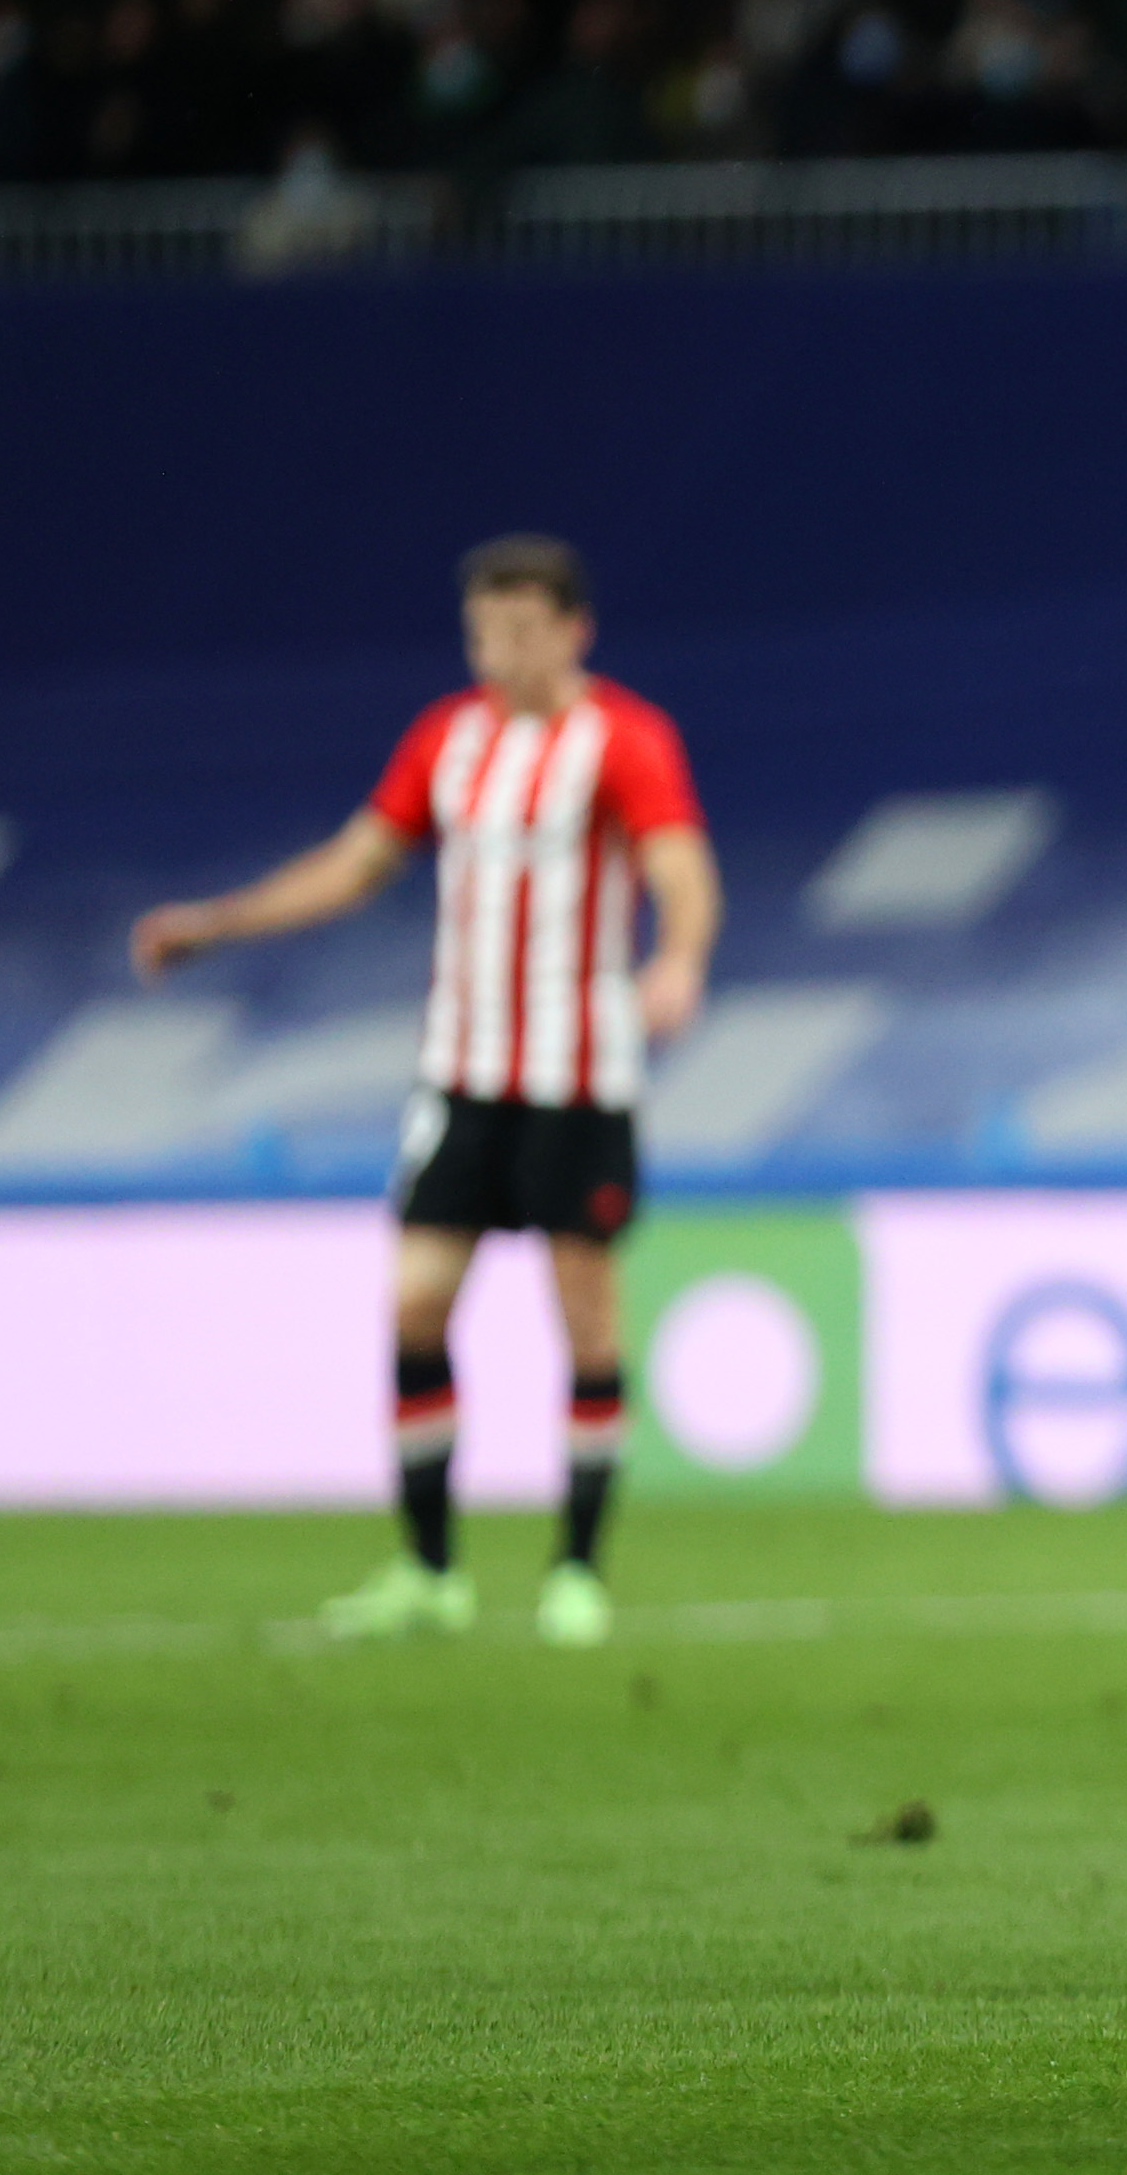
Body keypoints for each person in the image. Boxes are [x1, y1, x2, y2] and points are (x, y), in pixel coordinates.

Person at [131, 537, 715, 1649]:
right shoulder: (446, 741)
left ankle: (576, 1570)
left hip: (577, 1075)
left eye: (525, 628)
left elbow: (681, 863)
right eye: (486, 630)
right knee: (413, 1303)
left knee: (581, 1311)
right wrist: (219, 922)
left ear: (574, 631)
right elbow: (357, 863)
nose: (502, 648)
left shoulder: (624, 740)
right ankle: (429, 1568)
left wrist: (680, 954)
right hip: (461, 1071)